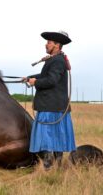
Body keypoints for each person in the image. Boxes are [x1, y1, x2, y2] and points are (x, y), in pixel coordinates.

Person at [24, 31, 76, 170]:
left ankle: (48, 167)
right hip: (54, 106)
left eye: (49, 42)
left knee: (48, 138)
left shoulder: (58, 61)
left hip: (51, 107)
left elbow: (52, 80)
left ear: (57, 45)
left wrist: (36, 82)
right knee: (56, 138)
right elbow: (43, 75)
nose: (46, 44)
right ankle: (56, 167)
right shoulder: (56, 59)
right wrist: (28, 77)